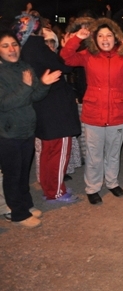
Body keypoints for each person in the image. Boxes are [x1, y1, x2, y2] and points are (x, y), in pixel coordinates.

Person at [60, 18, 123, 205]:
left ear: (116, 37)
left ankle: (112, 182)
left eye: (108, 35)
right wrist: (76, 38)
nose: (105, 39)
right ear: (94, 39)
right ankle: (93, 187)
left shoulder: (122, 56)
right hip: (94, 112)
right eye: (100, 36)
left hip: (117, 111)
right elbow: (65, 58)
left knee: (114, 152)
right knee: (94, 153)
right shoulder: (88, 55)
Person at [0, 31, 62, 228]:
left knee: (23, 171)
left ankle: (25, 204)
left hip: (27, 128)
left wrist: (43, 84)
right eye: (5, 46)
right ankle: (18, 213)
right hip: (8, 132)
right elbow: (4, 104)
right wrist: (26, 87)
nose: (11, 49)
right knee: (12, 174)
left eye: (14, 45)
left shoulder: (25, 67)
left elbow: (35, 96)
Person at [17, 14, 81, 203]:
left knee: (47, 151)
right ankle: (56, 192)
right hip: (56, 109)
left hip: (41, 106)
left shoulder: (21, 47)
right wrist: (68, 45)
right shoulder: (36, 45)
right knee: (58, 153)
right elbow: (65, 67)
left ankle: (49, 188)